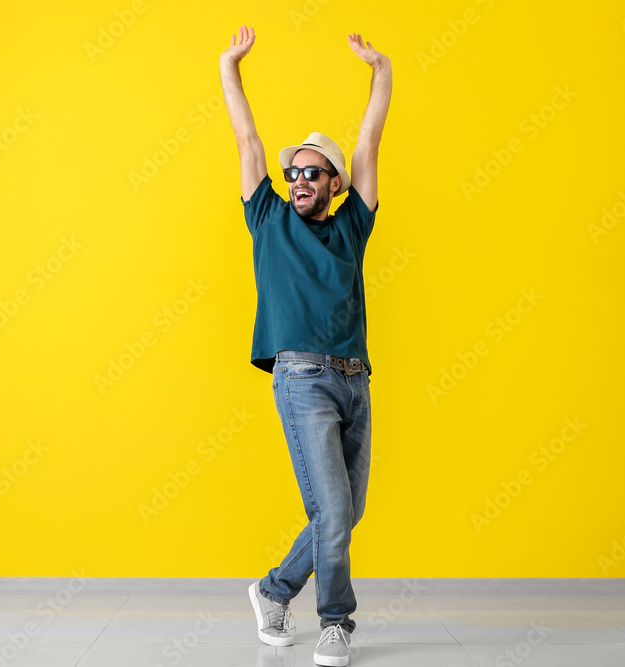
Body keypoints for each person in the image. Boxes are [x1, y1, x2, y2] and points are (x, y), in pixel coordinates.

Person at [219, 25, 392, 667]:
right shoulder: (266, 218)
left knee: (347, 509)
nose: (297, 178)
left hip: (355, 378)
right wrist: (230, 67)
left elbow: (370, 140)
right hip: (301, 379)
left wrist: (381, 73)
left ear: (335, 184)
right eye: (293, 171)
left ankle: (273, 590)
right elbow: (247, 138)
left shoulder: (352, 225)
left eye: (311, 172)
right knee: (335, 506)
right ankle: (336, 621)